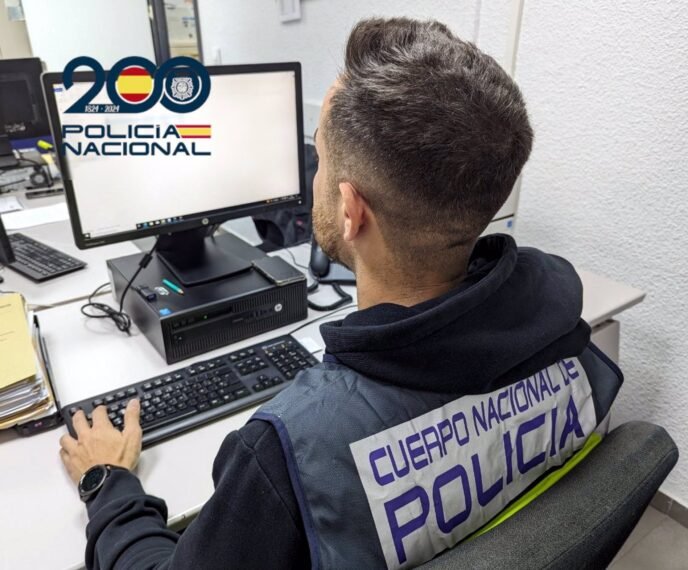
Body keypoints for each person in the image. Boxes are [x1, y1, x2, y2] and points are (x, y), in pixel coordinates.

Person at [59, 17, 622, 570]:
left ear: (351, 211)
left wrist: (108, 483)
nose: (314, 176)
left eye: (320, 158)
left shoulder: (288, 450)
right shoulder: (565, 328)